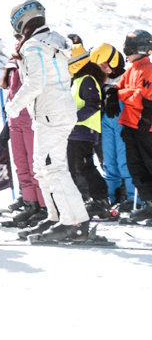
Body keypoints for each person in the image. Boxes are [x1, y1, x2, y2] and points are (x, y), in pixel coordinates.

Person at [5, 0, 94, 243]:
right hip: (51, 112)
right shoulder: (52, 40)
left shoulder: (34, 46)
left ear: (21, 22)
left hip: (51, 113)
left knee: (53, 168)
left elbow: (36, 82)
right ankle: (56, 216)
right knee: (42, 169)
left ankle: (74, 222)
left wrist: (13, 106)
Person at [66, 45, 113, 218]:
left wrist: (74, 118)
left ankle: (101, 200)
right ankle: (84, 199)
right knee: (75, 167)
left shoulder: (87, 79)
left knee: (86, 167)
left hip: (84, 132)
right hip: (74, 132)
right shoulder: (78, 80)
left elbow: (94, 104)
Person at [1, 57, 46, 227]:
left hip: (30, 119)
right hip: (15, 121)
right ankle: (30, 204)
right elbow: (11, 94)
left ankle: (44, 206)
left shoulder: (33, 60)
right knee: (21, 165)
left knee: (34, 165)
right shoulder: (13, 65)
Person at [92, 44, 134, 207]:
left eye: (105, 64)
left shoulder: (128, 76)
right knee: (109, 163)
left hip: (124, 123)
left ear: (113, 60)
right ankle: (113, 197)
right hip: (106, 123)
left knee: (125, 162)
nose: (104, 68)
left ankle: (131, 198)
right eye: (100, 66)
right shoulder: (100, 81)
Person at [117, 29, 152, 222]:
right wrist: (114, 94)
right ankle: (149, 203)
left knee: (149, 164)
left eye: (129, 47)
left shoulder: (147, 69)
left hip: (146, 126)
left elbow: (139, 97)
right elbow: (121, 89)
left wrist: (122, 95)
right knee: (136, 167)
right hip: (131, 125)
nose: (126, 51)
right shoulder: (131, 70)